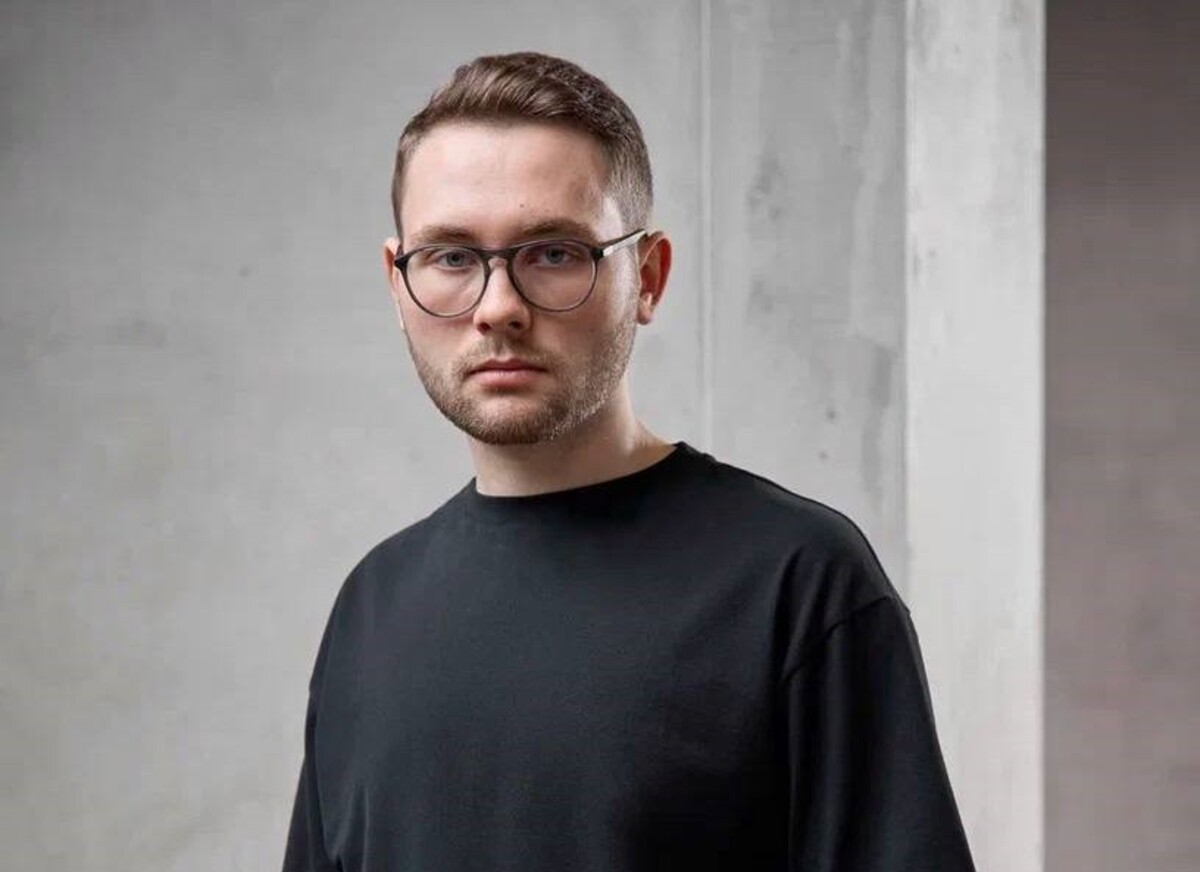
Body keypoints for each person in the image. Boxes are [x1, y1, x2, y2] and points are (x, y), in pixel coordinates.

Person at [282, 51, 975, 872]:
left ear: (647, 277)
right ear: (398, 284)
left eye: (553, 254)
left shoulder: (796, 584)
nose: (498, 307)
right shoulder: (371, 608)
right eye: (452, 258)